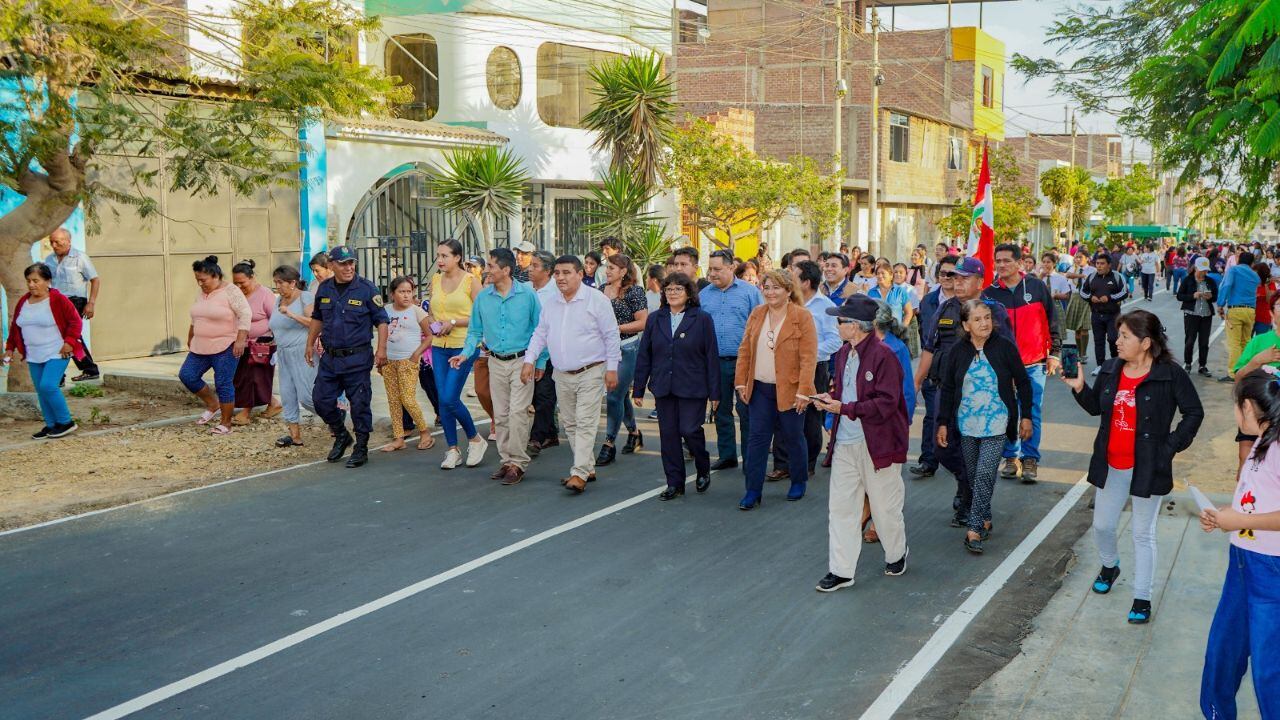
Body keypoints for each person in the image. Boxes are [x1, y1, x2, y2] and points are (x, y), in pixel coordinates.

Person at [1062, 309, 1204, 624]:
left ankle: (1142, 597)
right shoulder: (1112, 369)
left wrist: (1169, 447)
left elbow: (1194, 412)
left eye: (1125, 336)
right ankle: (1110, 565)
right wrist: (1078, 386)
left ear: (1145, 342)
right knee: (1101, 526)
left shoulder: (1169, 373)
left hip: (1148, 466)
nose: (1117, 341)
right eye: (1118, 334)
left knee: (1143, 533)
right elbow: (1094, 408)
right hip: (1111, 463)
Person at [813, 296, 909, 592]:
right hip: (845, 443)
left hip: (879, 444)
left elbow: (887, 403)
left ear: (855, 326)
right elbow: (843, 393)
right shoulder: (843, 354)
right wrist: (830, 400)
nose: (836, 325)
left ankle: (896, 553)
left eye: (840, 321)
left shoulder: (885, 356)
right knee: (841, 508)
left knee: (884, 508)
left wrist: (844, 408)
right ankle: (841, 571)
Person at [1199, 369, 1280, 718]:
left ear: (1248, 407)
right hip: (1242, 562)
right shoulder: (1260, 444)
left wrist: (1242, 521)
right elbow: (1256, 499)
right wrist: (1225, 516)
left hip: (1271, 572)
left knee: (1268, 670)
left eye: (1236, 406)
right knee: (1222, 652)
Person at [917, 258, 1013, 523]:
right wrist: (916, 381)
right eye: (954, 277)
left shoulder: (995, 311)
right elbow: (929, 347)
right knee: (943, 448)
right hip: (945, 391)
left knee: (978, 450)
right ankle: (966, 485)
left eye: (964, 278)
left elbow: (1008, 353)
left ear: (980, 283)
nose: (957, 282)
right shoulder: (945, 308)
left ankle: (973, 503)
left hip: (981, 395)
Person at [937, 300, 1033, 553]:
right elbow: (947, 389)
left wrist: (1026, 417)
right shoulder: (957, 351)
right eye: (977, 319)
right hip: (967, 424)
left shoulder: (1004, 347)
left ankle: (975, 528)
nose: (984, 323)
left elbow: (1023, 382)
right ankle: (986, 517)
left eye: (987, 317)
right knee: (972, 475)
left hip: (997, 422)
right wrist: (943, 423)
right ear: (966, 325)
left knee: (984, 474)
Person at [523, 255, 622, 493]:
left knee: (586, 422)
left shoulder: (596, 300)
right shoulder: (552, 303)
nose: (560, 278)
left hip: (591, 370)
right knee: (570, 424)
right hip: (561, 373)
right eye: (557, 273)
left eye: (567, 272)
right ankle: (587, 466)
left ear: (580, 274)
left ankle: (578, 473)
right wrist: (529, 359)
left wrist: (612, 368)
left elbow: (611, 335)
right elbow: (540, 333)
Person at [454, 248, 544, 484]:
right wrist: (465, 354)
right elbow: (474, 331)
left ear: (506, 269)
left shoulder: (528, 295)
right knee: (502, 415)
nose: (486, 270)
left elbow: (541, 330)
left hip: (522, 361)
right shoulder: (483, 297)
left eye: (491, 266)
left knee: (517, 413)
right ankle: (506, 461)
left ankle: (518, 463)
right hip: (495, 361)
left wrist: (540, 361)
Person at [734, 269, 818, 509]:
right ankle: (753, 490)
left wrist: (804, 391)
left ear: (789, 290)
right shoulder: (757, 314)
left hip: (791, 390)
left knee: (793, 437)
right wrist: (741, 381)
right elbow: (745, 350)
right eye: (766, 287)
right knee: (757, 439)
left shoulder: (802, 317)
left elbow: (808, 357)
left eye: (776, 288)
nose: (770, 292)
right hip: (760, 389)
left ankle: (799, 480)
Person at [633, 272, 719, 500]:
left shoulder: (702, 319)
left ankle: (702, 465)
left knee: (689, 429)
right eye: (668, 289)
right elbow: (645, 355)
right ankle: (674, 483)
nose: (672, 293)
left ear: (689, 293)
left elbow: (711, 356)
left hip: (693, 385)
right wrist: (639, 387)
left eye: (678, 289)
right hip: (663, 386)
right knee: (668, 435)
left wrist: (715, 392)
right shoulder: (655, 319)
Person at [983, 243, 1062, 483]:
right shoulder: (990, 293)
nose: (1002, 265)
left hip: (1034, 362)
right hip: (1002, 366)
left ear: (1019, 263)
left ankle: (1030, 459)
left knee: (1032, 411)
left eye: (1007, 260)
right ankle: (1010, 456)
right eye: (998, 261)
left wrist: (1054, 352)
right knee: (1007, 411)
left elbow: (1053, 320)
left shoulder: (1036, 287)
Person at [305, 245, 389, 469]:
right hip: (330, 359)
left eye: (351, 262)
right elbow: (317, 318)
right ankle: (342, 434)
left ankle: (361, 446)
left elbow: (381, 320)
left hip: (357, 358)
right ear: (331, 265)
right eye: (343, 263)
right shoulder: (324, 289)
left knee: (360, 404)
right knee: (321, 400)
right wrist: (309, 343)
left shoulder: (367, 289)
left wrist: (381, 350)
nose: (349, 267)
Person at [772, 261, 840, 479]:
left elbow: (835, 340)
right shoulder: (785, 304)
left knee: (810, 416)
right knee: (783, 412)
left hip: (815, 368)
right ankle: (782, 464)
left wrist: (808, 353)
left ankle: (807, 463)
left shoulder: (825, 306)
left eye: (794, 278)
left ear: (806, 282)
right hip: (785, 367)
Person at [3, 264, 85, 438]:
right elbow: (15, 328)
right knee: (41, 390)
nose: (31, 285)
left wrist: (70, 342)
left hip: (58, 351)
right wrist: (10, 348)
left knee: (48, 386)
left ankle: (66, 422)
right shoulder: (23, 302)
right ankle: (51, 424)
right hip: (34, 354)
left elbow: (76, 321)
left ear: (47, 281)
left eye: (36, 280)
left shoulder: (58, 299)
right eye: (28, 281)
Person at [701, 248, 764, 473]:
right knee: (721, 410)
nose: (713, 274)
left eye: (718, 269)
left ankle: (750, 458)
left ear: (730, 267)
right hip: (715, 363)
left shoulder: (750, 293)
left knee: (747, 412)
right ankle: (727, 454)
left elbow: (760, 327)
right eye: (710, 269)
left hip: (744, 363)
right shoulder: (704, 295)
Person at [427, 239, 487, 470]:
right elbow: (431, 312)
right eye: (438, 255)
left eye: (445, 256)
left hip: (464, 346)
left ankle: (475, 439)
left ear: (457, 257)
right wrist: (435, 324)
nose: (440, 260)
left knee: (450, 397)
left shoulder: (471, 281)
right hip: (439, 346)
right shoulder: (435, 280)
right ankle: (452, 449)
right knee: (443, 398)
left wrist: (453, 322)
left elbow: (481, 317)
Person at [179, 256, 250, 436]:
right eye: (197, 280)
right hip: (200, 346)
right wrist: (190, 337)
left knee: (223, 383)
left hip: (226, 345)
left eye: (203, 280)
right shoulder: (202, 293)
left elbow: (245, 314)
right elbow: (196, 317)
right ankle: (213, 404)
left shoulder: (231, 291)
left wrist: (241, 339)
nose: (200, 284)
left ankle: (226, 423)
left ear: (215, 276)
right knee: (187, 375)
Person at [596, 254, 649, 466]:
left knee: (613, 395)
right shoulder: (600, 290)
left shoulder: (634, 292)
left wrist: (614, 329)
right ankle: (634, 432)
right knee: (619, 394)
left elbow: (643, 322)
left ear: (623, 271)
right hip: (603, 350)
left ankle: (609, 443)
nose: (607, 271)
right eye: (607, 267)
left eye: (611, 267)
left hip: (627, 348)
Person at [910, 254, 958, 478]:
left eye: (952, 273)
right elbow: (926, 339)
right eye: (943, 273)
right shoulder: (928, 301)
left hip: (959, 372)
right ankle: (928, 460)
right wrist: (918, 378)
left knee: (955, 419)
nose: (946, 277)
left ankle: (956, 460)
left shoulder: (966, 302)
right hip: (933, 370)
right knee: (932, 416)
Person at [380, 276, 435, 453]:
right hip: (389, 361)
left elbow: (430, 335)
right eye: (401, 292)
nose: (406, 296)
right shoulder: (386, 311)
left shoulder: (417, 311)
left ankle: (424, 432)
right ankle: (399, 438)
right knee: (394, 400)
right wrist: (380, 357)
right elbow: (382, 334)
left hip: (408, 361)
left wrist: (416, 354)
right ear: (392, 294)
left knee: (407, 398)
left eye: (409, 292)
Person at [268, 266, 318, 448]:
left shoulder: (305, 297)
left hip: (303, 351)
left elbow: (314, 323)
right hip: (283, 352)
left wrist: (290, 313)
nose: (278, 287)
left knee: (308, 396)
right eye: (276, 283)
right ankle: (295, 436)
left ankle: (335, 416)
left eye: (280, 283)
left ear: (292, 283)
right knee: (288, 394)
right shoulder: (279, 300)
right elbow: (276, 324)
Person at [229, 260, 284, 425]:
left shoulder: (265, 294)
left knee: (254, 378)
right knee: (242, 378)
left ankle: (245, 412)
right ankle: (274, 403)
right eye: (236, 283)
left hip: (261, 345)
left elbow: (276, 319)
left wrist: (272, 340)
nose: (239, 286)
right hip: (239, 343)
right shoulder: (235, 294)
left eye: (242, 282)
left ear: (252, 277)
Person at [43, 228, 100, 382]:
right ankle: (85, 370)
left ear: (68, 241)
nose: (54, 245)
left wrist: (91, 303)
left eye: (58, 241)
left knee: (68, 336)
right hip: (55, 302)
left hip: (75, 301)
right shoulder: (49, 260)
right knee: (60, 337)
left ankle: (66, 374)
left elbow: (95, 280)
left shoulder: (80, 257)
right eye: (51, 242)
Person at [527, 250, 561, 455]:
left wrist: (541, 360)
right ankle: (551, 433)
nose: (530, 269)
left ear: (548, 271)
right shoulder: (524, 289)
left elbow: (550, 329)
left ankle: (536, 438)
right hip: (529, 350)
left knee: (544, 395)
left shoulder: (554, 294)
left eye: (535, 266)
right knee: (532, 394)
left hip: (550, 352)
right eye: (530, 265)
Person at [1081, 252, 1129, 374]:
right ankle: (1100, 365)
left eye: (1102, 264)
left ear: (1109, 265)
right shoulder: (1091, 277)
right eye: (1097, 263)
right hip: (1096, 314)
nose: (1099, 266)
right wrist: (1090, 297)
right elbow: (1082, 291)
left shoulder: (1117, 277)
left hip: (1113, 315)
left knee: (1113, 339)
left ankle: (1115, 363)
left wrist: (1110, 298)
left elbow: (1124, 292)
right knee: (1098, 340)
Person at [1219, 251, 1262, 382]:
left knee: (1234, 344)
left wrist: (1220, 304)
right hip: (1250, 311)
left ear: (1238, 260)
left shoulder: (1234, 270)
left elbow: (1226, 286)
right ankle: (1245, 370)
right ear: (1252, 263)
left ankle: (1233, 373)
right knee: (1246, 342)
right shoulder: (1255, 276)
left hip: (1236, 310)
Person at [1178, 257, 1219, 377]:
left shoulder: (1210, 281)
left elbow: (1215, 297)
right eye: (1202, 270)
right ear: (1196, 268)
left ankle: (1202, 365)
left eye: (1206, 270)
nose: (1204, 273)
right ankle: (1188, 363)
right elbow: (1180, 296)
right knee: (1190, 340)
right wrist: (1193, 295)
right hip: (1191, 314)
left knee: (1204, 342)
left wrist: (1210, 297)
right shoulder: (1188, 280)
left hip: (1206, 315)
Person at [868, 263, 914, 328]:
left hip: (895, 333)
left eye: (883, 273)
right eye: (878, 273)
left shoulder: (900, 291)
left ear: (891, 276)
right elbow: (868, 313)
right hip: (876, 333)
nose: (880, 276)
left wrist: (902, 328)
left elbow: (909, 312)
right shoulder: (871, 292)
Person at [1255, 263, 1277, 337]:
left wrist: (1265, 285)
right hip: (1250, 316)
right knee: (1247, 342)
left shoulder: (1270, 284)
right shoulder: (1253, 282)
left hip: (1263, 318)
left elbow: (1269, 300)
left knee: (1261, 342)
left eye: (1256, 273)